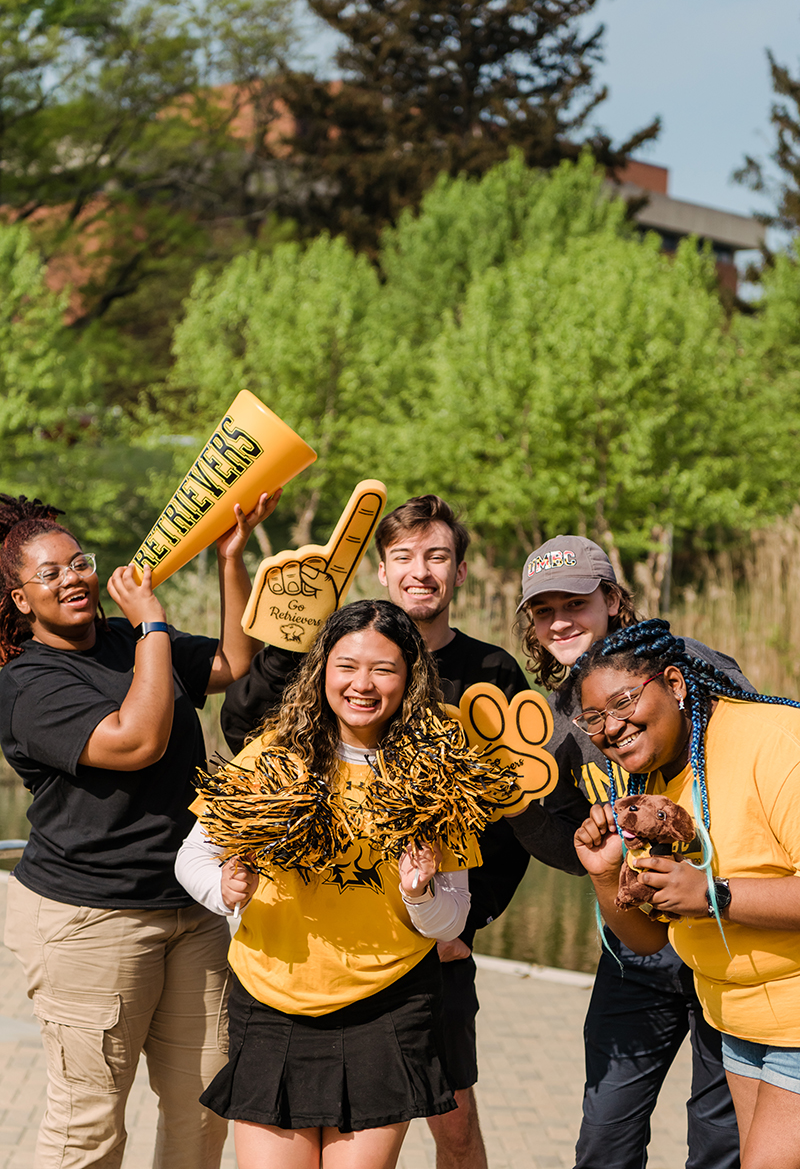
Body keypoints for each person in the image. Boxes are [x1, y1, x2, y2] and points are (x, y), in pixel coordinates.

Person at [221, 494, 583, 1169]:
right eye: (404, 557)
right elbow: (245, 731)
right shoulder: (340, 655)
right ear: (382, 571)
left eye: (438, 556)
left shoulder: (492, 672)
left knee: (453, 1123)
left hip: (437, 937)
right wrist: (287, 640)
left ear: (461, 572)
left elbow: (508, 822)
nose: (421, 571)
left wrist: (466, 924)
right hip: (318, 948)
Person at [0, 488, 277, 1169]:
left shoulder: (126, 638)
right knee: (91, 1127)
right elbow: (137, 741)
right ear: (18, 600)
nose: (73, 578)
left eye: (80, 562)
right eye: (50, 572)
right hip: (90, 920)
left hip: (190, 905)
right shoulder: (27, 683)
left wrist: (229, 562)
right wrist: (153, 624)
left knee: (206, 1104)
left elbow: (230, 667)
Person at [175, 598, 486, 1169]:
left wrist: (419, 893)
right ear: (322, 670)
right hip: (271, 1001)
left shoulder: (437, 772)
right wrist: (224, 889)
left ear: (410, 678)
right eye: (346, 666)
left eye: (383, 669)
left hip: (385, 1004)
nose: (361, 684)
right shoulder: (272, 756)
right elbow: (193, 855)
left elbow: (453, 916)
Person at [513, 536, 742, 1169]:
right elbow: (554, 832)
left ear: (613, 600)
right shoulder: (549, 721)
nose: (560, 620)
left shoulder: (683, 665)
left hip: (721, 931)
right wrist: (593, 853)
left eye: (576, 603)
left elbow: (751, 763)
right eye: (543, 610)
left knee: (720, 1140)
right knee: (605, 1136)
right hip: (635, 950)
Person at [572, 618, 800, 1169]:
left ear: (674, 683)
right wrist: (606, 877)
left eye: (624, 701)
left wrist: (714, 895)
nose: (611, 727)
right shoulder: (648, 785)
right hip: (738, 1024)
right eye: (594, 717)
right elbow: (650, 941)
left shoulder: (774, 738)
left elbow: (708, 898)